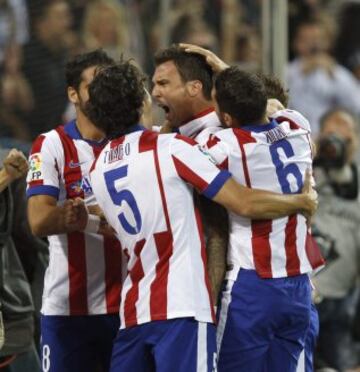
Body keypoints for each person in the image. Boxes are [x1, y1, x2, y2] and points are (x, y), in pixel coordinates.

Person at [80, 60, 318, 372]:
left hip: (135, 308)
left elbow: (99, 211)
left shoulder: (97, 169)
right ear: (141, 103)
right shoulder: (173, 149)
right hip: (183, 306)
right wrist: (301, 202)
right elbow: (242, 201)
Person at [181, 44, 324, 372]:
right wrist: (227, 71)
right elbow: (270, 106)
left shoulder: (225, 145)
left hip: (253, 287)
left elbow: (184, 147)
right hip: (299, 287)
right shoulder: (297, 126)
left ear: (227, 117)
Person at [26, 50, 124, 372]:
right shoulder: (51, 145)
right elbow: (39, 221)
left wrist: (88, 217)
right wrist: (68, 216)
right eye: (95, 85)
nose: (104, 93)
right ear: (73, 94)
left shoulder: (132, 142)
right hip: (67, 312)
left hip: (126, 307)